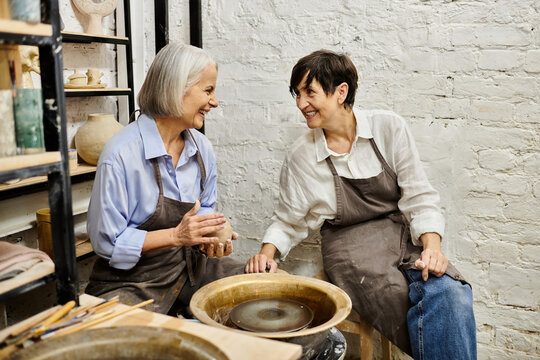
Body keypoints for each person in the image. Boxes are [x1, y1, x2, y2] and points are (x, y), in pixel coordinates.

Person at [246, 50, 476, 359]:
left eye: (309, 92)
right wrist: (266, 254)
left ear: (341, 92)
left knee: (451, 293)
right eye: (297, 94)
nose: (301, 104)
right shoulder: (301, 155)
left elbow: (419, 197)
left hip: (399, 236)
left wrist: (432, 248)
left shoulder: (388, 128)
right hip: (348, 247)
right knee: (395, 295)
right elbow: (289, 220)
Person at [85, 43, 244, 315]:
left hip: (191, 268)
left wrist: (209, 238)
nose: (214, 101)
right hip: (132, 281)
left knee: (266, 289)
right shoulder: (121, 155)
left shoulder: (201, 148)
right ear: (176, 87)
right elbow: (108, 243)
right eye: (208, 90)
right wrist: (176, 235)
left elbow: (204, 210)